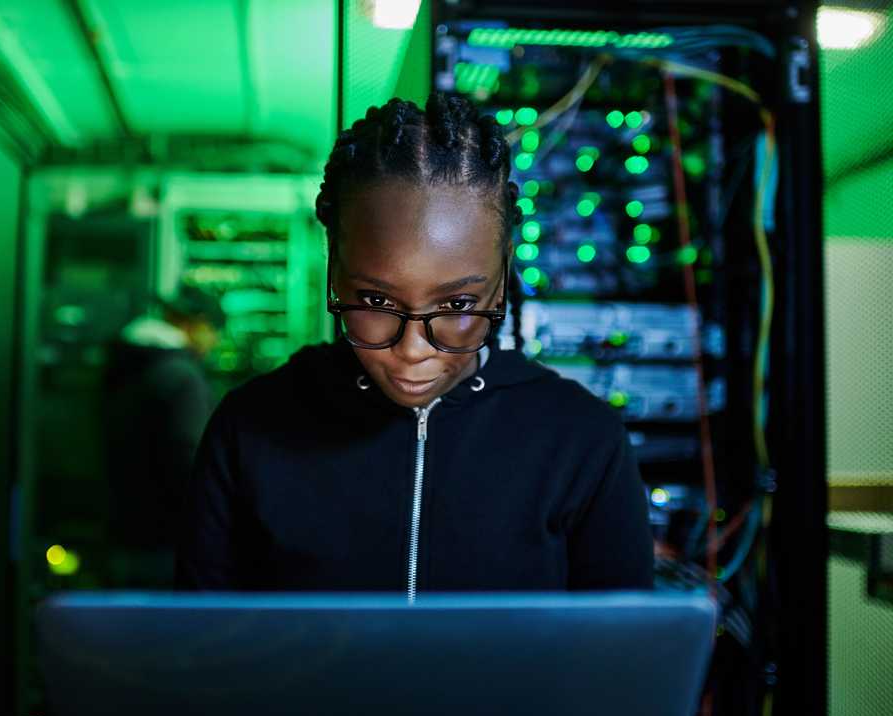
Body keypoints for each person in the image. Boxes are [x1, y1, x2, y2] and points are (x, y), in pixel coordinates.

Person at [175, 93, 653, 593]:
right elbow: (202, 655)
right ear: (333, 263)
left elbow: (620, 662)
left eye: (458, 306)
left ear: (504, 271)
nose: (412, 350)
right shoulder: (249, 430)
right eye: (377, 302)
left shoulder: (582, 442)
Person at [102, 284, 223, 583]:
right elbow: (189, 459)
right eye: (214, 330)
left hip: (123, 529)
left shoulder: (126, 364)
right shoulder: (182, 377)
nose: (215, 342)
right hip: (166, 541)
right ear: (196, 325)